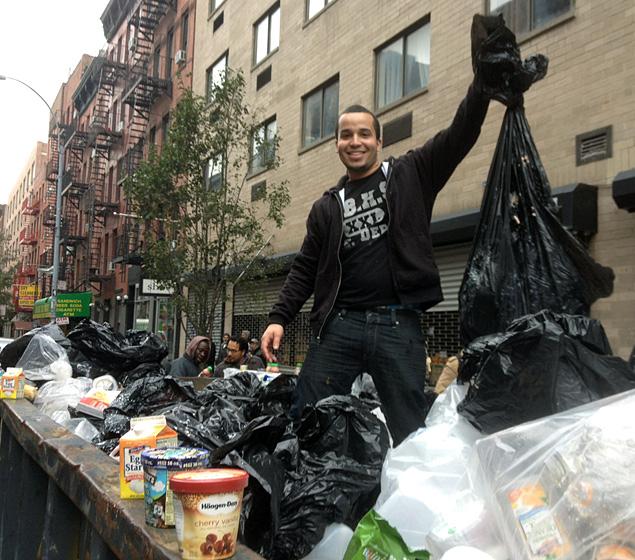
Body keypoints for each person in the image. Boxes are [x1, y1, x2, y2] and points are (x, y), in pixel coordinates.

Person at [261, 50, 492, 445]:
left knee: (410, 431)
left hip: (396, 326)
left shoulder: (411, 174)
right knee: (308, 420)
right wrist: (279, 317)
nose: (356, 142)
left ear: (379, 140)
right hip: (340, 326)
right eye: (346, 135)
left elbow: (459, 135)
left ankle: (407, 502)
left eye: (364, 134)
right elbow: (304, 269)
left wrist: (482, 86)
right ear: (336, 144)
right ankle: (310, 498)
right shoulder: (326, 207)